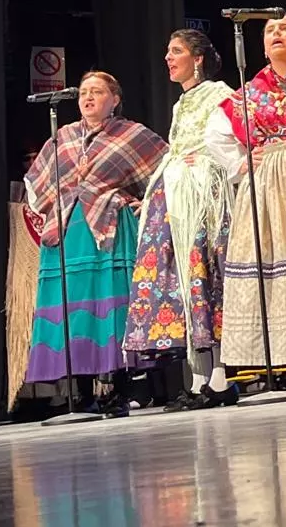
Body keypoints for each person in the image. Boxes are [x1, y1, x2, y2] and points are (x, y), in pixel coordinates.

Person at [24, 70, 167, 416]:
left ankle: (119, 388)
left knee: (111, 311)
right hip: (68, 235)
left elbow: (165, 168)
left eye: (97, 92)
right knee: (74, 311)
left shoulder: (131, 135)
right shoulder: (64, 137)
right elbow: (34, 184)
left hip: (111, 232)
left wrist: (143, 202)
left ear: (114, 100)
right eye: (84, 93)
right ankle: (82, 392)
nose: (88, 98)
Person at [124, 30, 237, 410]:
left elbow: (225, 142)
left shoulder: (220, 94)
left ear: (198, 58)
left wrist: (201, 163)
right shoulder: (181, 104)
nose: (169, 59)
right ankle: (200, 379)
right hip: (175, 197)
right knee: (185, 286)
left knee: (206, 279)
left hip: (203, 195)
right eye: (167, 52)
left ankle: (219, 379)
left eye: (176, 52)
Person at [205, 15, 286, 374]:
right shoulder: (250, 91)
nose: (276, 34)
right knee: (270, 256)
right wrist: (242, 162)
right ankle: (279, 360)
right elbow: (216, 134)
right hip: (268, 184)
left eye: (284, 29)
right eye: (269, 31)